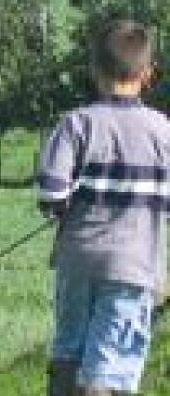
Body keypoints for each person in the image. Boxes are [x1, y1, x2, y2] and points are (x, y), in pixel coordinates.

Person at [38, 20, 170, 395]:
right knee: (110, 362)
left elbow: (51, 195)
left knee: (69, 349)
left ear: (94, 71)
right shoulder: (163, 129)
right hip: (134, 266)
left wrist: (63, 205)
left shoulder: (76, 124)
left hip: (77, 262)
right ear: (148, 75)